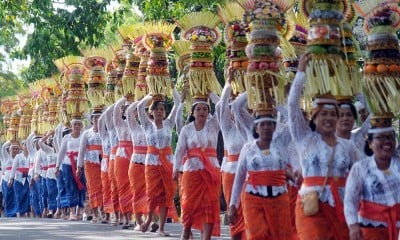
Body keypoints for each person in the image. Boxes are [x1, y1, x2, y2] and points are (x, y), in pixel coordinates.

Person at [288, 54, 362, 240]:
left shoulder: (347, 147)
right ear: (314, 118)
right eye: (323, 114)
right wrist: (301, 73)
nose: (328, 118)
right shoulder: (304, 139)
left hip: (343, 208)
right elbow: (291, 106)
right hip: (311, 205)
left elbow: (360, 178)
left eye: (332, 114)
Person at [228, 113, 292, 240]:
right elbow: (240, 177)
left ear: (275, 127)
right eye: (262, 124)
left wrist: (275, 99)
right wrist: (233, 204)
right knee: (257, 235)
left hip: (279, 199)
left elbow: (292, 116)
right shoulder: (248, 148)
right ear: (256, 128)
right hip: (253, 199)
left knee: (280, 236)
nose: (266, 127)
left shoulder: (281, 144)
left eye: (269, 124)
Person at [174, 94, 221, 240]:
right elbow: (180, 150)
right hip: (191, 172)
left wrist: (210, 93)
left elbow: (221, 106)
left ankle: (206, 237)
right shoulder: (186, 130)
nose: (202, 112)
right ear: (193, 112)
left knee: (208, 204)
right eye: (198, 109)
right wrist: (176, 168)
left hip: (210, 171)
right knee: (189, 204)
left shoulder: (213, 125)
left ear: (208, 112)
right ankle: (186, 231)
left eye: (205, 109)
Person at [344, 116, 400, 240]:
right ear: (370, 144)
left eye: (390, 137)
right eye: (380, 137)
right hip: (371, 230)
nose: (387, 141)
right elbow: (350, 199)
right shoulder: (361, 168)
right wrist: (353, 226)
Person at [138, 88, 179, 236]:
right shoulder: (147, 125)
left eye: (162, 109)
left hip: (167, 163)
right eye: (157, 109)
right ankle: (149, 220)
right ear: (151, 112)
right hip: (152, 164)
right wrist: (151, 96)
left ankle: (161, 228)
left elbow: (178, 103)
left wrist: (171, 87)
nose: (160, 112)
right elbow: (138, 107)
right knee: (152, 194)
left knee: (166, 195)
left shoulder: (169, 124)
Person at [218, 68, 246, 239]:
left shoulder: (251, 129)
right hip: (230, 173)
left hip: (248, 174)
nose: (236, 113)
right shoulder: (227, 129)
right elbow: (222, 107)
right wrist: (228, 83)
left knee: (249, 211)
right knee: (234, 211)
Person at [56, 116, 85, 221]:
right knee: (70, 187)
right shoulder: (66, 137)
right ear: (71, 126)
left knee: (82, 186)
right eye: (75, 124)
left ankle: (80, 211)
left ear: (82, 126)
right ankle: (72, 212)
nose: (77, 126)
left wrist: (84, 114)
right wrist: (57, 166)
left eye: (79, 124)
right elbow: (61, 152)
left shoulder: (84, 135)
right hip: (68, 164)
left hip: (81, 164)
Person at [77, 110, 104, 223]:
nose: (97, 120)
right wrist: (79, 166)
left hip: (104, 162)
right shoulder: (87, 133)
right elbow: (81, 150)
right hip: (90, 163)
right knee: (92, 188)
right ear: (92, 120)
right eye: (95, 118)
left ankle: (104, 212)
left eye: (99, 118)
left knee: (103, 187)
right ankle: (95, 213)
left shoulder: (105, 132)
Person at [126, 100, 148, 230]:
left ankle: (147, 220)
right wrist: (140, 99)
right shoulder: (134, 127)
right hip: (136, 162)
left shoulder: (152, 127)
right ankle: (138, 221)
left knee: (149, 192)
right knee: (137, 192)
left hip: (150, 162)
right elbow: (128, 112)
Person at [113, 97, 134, 229]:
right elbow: (115, 110)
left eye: (132, 109)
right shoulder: (120, 123)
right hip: (121, 155)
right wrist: (124, 98)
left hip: (136, 155)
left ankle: (135, 216)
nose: (129, 111)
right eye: (126, 109)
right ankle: (125, 217)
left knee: (135, 187)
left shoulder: (140, 124)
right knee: (122, 187)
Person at [103, 104, 121, 225]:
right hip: (113, 158)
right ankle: (116, 214)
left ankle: (126, 215)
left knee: (125, 187)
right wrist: (117, 103)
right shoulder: (110, 129)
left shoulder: (127, 125)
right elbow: (106, 114)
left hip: (127, 157)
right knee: (114, 187)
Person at [98, 108, 114, 224]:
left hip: (116, 161)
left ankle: (119, 215)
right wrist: (103, 110)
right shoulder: (103, 135)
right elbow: (99, 122)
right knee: (106, 189)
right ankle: (107, 214)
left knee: (116, 188)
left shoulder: (117, 132)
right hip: (105, 163)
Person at [9, 141, 30, 217]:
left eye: (28, 145)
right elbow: (14, 168)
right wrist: (11, 178)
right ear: (22, 146)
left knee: (25, 196)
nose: (26, 147)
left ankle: (24, 212)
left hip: (28, 179)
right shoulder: (18, 156)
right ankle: (18, 211)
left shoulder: (31, 156)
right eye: (25, 145)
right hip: (18, 178)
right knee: (18, 196)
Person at [1, 141, 19, 217]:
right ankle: (8, 212)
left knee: (15, 196)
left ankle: (14, 212)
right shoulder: (6, 157)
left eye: (16, 149)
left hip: (16, 179)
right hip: (6, 180)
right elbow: (3, 147)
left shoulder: (19, 158)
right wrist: (10, 141)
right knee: (8, 197)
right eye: (13, 149)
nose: (15, 150)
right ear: (10, 150)